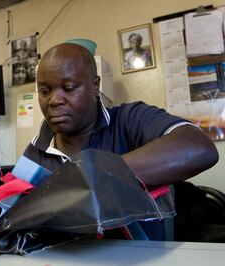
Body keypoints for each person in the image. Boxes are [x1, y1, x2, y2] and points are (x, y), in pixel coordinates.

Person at [22, 42, 219, 240]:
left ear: (95, 86)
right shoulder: (36, 151)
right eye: (45, 91)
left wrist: (93, 179)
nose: (54, 100)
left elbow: (199, 147)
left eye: (69, 88)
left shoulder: (129, 120)